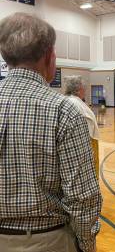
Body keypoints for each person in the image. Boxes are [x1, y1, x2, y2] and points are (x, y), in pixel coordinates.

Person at [0, 13, 102, 252]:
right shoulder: (64, 110)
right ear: (49, 56)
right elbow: (82, 197)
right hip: (47, 240)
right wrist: (87, 245)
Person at [64, 76, 100, 178]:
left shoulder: (67, 101)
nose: (85, 91)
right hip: (85, 146)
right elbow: (85, 130)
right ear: (79, 89)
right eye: (84, 88)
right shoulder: (76, 104)